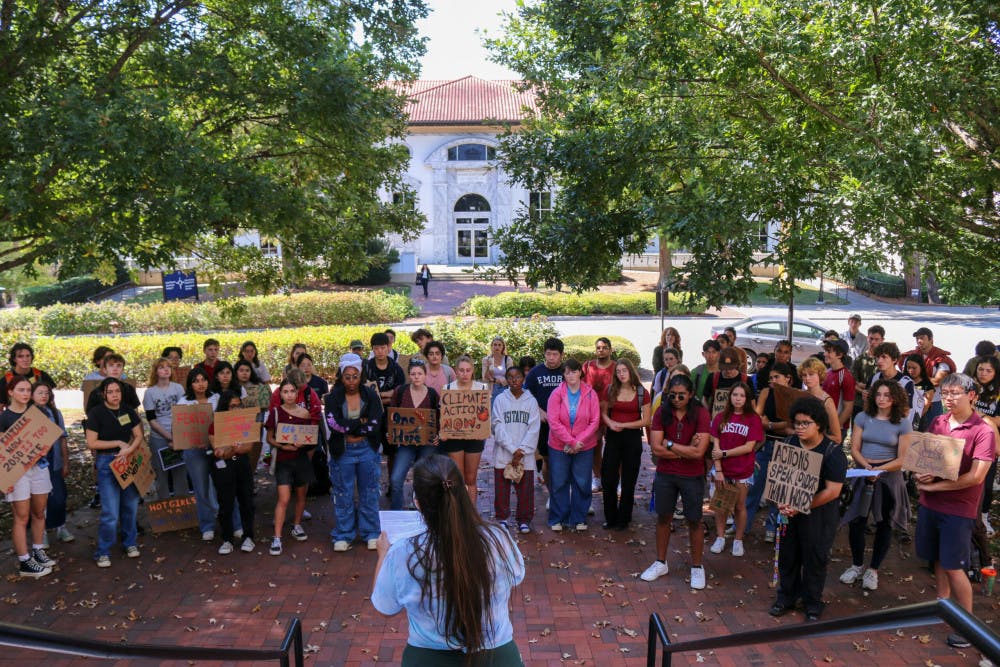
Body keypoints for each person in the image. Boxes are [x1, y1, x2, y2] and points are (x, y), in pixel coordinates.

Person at [372, 455, 525, 666]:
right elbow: (516, 576)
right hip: (496, 656)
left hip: (428, 658)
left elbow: (384, 607)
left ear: (418, 502)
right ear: (463, 492)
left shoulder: (403, 552)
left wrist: (383, 556)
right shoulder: (498, 538)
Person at [914, 373, 995, 649]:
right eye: (944, 393)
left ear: (972, 395)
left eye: (955, 393)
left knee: (955, 566)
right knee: (937, 559)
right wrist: (924, 475)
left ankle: (967, 625)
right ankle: (943, 606)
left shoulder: (983, 430)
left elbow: (976, 477)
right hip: (930, 505)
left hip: (959, 510)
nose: (947, 398)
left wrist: (935, 488)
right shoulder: (938, 422)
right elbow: (932, 461)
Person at [768, 397, 848, 621]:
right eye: (797, 422)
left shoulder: (832, 453)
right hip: (789, 514)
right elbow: (779, 480)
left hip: (819, 515)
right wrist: (781, 502)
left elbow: (833, 491)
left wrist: (801, 505)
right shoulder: (790, 444)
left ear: (819, 424)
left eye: (806, 423)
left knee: (815, 557)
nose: (800, 427)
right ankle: (786, 597)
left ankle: (812, 602)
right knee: (788, 554)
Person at [840, 380, 914, 591]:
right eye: (878, 394)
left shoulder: (902, 422)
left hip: (889, 476)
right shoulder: (863, 417)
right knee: (857, 520)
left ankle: (873, 570)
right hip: (864, 471)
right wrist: (866, 467)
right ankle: (856, 564)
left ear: (895, 398)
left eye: (887, 395)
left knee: (884, 522)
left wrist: (880, 470)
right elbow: (854, 447)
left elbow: (903, 458)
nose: (882, 399)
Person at [641, 375, 710, 589]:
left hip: (692, 475)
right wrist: (684, 449)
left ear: (691, 395)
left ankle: (697, 566)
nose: (677, 399)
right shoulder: (662, 412)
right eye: (673, 395)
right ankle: (661, 562)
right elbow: (656, 448)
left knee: (694, 520)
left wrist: (669, 445)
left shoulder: (700, 413)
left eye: (682, 395)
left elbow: (699, 453)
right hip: (666, 474)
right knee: (663, 518)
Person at [85, 377, 146, 568]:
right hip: (106, 462)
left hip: (127, 460)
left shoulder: (127, 410)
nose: (114, 395)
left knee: (130, 506)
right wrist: (118, 444)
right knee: (110, 512)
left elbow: (138, 435)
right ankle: (103, 551)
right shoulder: (96, 413)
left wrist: (128, 449)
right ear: (103, 393)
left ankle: (130, 543)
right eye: (110, 392)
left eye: (117, 391)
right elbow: (92, 442)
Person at [326, 353, 384, 551]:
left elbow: (376, 422)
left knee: (369, 492)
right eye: (347, 376)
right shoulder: (333, 397)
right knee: (343, 493)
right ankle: (344, 533)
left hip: (368, 449)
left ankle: (371, 532)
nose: (351, 381)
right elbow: (333, 423)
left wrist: (352, 428)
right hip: (343, 452)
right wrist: (359, 423)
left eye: (355, 376)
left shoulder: (370, 395)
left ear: (361, 376)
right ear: (342, 377)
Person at [3, 376, 56, 577]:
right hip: (17, 473)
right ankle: (25, 561)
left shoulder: (39, 412)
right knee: (21, 516)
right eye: (20, 390)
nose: (25, 394)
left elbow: (48, 438)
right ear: (10, 392)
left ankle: (37, 550)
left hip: (40, 467)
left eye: (27, 390)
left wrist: (40, 451)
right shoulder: (4, 418)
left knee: (39, 512)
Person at [544, 359, 600, 532]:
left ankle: (579, 518)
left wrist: (578, 442)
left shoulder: (591, 394)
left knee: (582, 482)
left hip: (585, 446)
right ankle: (558, 518)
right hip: (559, 445)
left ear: (580, 373)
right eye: (567, 372)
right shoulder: (556, 394)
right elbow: (553, 421)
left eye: (574, 371)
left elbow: (594, 421)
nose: (571, 375)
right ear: (563, 375)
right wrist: (571, 441)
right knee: (559, 482)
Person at [708, 382, 763, 557]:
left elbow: (749, 447)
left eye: (742, 396)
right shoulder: (720, 417)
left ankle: (738, 540)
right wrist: (718, 469)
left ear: (747, 399)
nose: (738, 399)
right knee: (720, 505)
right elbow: (715, 447)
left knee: (740, 506)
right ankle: (720, 537)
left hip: (743, 470)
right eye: (735, 395)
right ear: (730, 397)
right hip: (722, 470)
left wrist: (725, 453)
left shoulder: (753, 419)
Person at [265, 379, 317, 555]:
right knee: (284, 498)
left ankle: (296, 525)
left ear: (297, 393)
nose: (289, 395)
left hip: (301, 459)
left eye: (292, 391)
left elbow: (310, 436)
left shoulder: (304, 413)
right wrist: (282, 446)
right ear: (280, 394)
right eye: (285, 391)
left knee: (302, 496)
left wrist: (304, 444)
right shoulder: (276, 413)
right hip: (283, 460)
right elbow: (269, 438)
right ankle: (277, 537)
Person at [599, 359, 650, 531]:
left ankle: (624, 518)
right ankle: (610, 517)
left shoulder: (642, 392)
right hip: (613, 436)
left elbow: (646, 420)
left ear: (631, 371)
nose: (621, 374)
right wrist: (610, 423)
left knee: (629, 480)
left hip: (633, 437)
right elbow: (603, 413)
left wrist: (625, 425)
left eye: (624, 371)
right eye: (618, 371)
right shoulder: (610, 390)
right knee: (609, 478)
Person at [749, 362, 795, 542]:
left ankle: (772, 528)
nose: (773, 381)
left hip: (786, 447)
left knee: (778, 492)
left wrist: (769, 424)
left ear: (788, 378)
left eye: (777, 377)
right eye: (771, 378)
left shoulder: (794, 395)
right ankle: (741, 527)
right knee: (754, 486)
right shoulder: (767, 393)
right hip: (766, 445)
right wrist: (775, 425)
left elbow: (792, 425)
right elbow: (757, 418)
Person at [386, 359, 440, 512]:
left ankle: (422, 512)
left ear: (425, 375)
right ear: (409, 375)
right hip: (406, 443)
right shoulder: (401, 391)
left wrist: (438, 434)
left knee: (423, 479)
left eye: (420, 374)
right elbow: (392, 414)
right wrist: (390, 432)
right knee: (396, 479)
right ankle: (396, 513)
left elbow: (438, 417)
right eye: (413, 374)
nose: (416, 377)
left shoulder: (432, 394)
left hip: (426, 444)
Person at [176, 368, 222, 541]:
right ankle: (207, 525)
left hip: (217, 448)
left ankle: (231, 522)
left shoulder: (216, 398)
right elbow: (179, 429)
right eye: (196, 380)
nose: (200, 384)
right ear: (190, 383)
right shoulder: (183, 402)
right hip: (194, 450)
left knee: (223, 485)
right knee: (201, 488)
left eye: (203, 380)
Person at [208, 391, 257, 555]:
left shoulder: (246, 421)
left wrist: (234, 449)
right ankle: (227, 539)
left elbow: (249, 447)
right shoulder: (216, 424)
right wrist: (231, 450)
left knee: (246, 500)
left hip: (240, 462)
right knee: (226, 503)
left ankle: (248, 536)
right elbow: (218, 450)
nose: (236, 409)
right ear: (224, 407)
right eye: (232, 406)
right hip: (224, 467)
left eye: (239, 405)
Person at [493, 366, 540, 534]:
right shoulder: (500, 399)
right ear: (506, 379)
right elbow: (497, 426)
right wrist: (513, 450)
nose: (514, 380)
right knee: (502, 487)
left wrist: (522, 450)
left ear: (523, 379)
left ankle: (524, 519)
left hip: (524, 454)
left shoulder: (531, 401)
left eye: (518, 376)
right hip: (504, 451)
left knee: (525, 488)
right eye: (510, 377)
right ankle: (502, 518)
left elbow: (534, 428)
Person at [440, 356, 489, 501]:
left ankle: (471, 517)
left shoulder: (481, 388)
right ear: (456, 371)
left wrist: (484, 429)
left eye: (468, 370)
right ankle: (458, 514)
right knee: (457, 479)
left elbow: (485, 414)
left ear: (472, 371)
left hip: (475, 437)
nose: (464, 373)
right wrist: (443, 431)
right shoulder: (448, 389)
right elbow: (443, 414)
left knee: (471, 479)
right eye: (461, 370)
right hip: (453, 437)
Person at [143, 358, 187, 500]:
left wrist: (177, 437)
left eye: (168, 366)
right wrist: (169, 437)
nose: (166, 369)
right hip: (159, 438)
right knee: (161, 474)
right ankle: (165, 507)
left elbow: (183, 413)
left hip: (179, 435)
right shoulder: (150, 392)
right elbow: (151, 419)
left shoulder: (178, 388)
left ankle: (183, 507)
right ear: (155, 371)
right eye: (161, 367)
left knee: (180, 472)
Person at [34, 382, 73, 544]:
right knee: (39, 501)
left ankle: (60, 526)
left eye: (46, 393)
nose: (44, 396)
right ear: (31, 395)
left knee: (59, 497)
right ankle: (41, 532)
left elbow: (62, 439)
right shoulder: (27, 414)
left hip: (55, 462)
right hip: (36, 466)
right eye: (39, 392)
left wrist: (65, 462)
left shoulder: (55, 414)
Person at [524, 338, 566, 487]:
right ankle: (552, 495)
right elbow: (526, 395)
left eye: (555, 354)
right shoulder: (535, 373)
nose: (551, 358)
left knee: (565, 460)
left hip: (565, 424)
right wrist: (538, 410)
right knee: (547, 459)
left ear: (562, 355)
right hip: (544, 423)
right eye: (548, 354)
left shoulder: (567, 371)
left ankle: (567, 493)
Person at [366, 332, 406, 480]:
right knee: (371, 451)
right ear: (372, 349)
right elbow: (365, 395)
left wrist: (378, 395)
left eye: (383, 347)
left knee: (392, 452)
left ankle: (392, 483)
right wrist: (387, 395)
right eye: (376, 348)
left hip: (391, 417)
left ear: (388, 347)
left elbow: (399, 394)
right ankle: (372, 484)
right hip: (371, 416)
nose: (380, 351)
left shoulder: (396, 369)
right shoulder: (367, 368)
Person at [900, 327, 956, 426]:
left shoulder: (941, 359)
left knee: (934, 431)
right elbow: (904, 378)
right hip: (911, 400)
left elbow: (938, 381)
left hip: (934, 401)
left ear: (931, 340)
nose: (919, 341)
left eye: (922, 338)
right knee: (910, 430)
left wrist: (917, 380)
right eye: (917, 338)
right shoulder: (911, 356)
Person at [583, 337, 616, 492]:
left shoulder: (617, 368)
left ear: (610, 349)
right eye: (598, 348)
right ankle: (597, 478)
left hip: (613, 413)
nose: (600, 350)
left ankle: (616, 479)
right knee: (595, 447)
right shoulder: (588, 367)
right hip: (591, 414)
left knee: (615, 448)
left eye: (604, 347)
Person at [974, 355, 1000, 536]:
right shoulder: (970, 387)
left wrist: (978, 414)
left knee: (987, 483)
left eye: (988, 371)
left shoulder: (997, 393)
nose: (983, 374)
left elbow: (998, 420)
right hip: (967, 439)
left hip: (990, 441)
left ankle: (983, 516)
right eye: (980, 369)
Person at [799, 357, 842, 443]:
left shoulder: (827, 401)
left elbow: (837, 438)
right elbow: (788, 428)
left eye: (811, 374)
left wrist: (814, 436)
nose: (807, 378)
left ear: (820, 375)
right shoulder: (800, 395)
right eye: (804, 375)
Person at [702, 348, 754, 415]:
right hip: (717, 419)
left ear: (737, 365)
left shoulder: (746, 380)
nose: (728, 371)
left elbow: (752, 403)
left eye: (731, 368)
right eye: (725, 368)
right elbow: (704, 399)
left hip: (739, 421)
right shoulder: (713, 377)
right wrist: (708, 413)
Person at [821, 338, 856, 433]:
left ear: (840, 355)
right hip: (824, 425)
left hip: (837, 428)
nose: (824, 354)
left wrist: (834, 428)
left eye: (829, 351)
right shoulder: (827, 372)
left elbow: (848, 408)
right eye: (825, 351)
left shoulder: (846, 376)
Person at [851, 325, 885, 417]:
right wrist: (862, 391)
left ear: (882, 340)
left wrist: (866, 386)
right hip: (859, 403)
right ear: (867, 338)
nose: (873, 342)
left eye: (877, 339)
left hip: (878, 403)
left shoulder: (885, 360)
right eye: (871, 338)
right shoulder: (860, 359)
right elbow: (852, 382)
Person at [904, 353, 935, 430]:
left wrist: (913, 421)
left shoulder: (927, 385)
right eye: (908, 368)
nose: (910, 370)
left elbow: (925, 407)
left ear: (921, 367)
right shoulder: (903, 381)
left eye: (914, 368)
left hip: (919, 421)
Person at [482, 337, 514, 405]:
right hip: (491, 389)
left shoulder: (508, 359)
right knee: (492, 413)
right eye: (495, 345)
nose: (497, 347)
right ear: (491, 346)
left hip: (505, 389)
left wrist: (494, 379)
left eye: (499, 345)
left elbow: (510, 377)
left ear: (503, 347)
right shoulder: (486, 359)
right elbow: (484, 377)